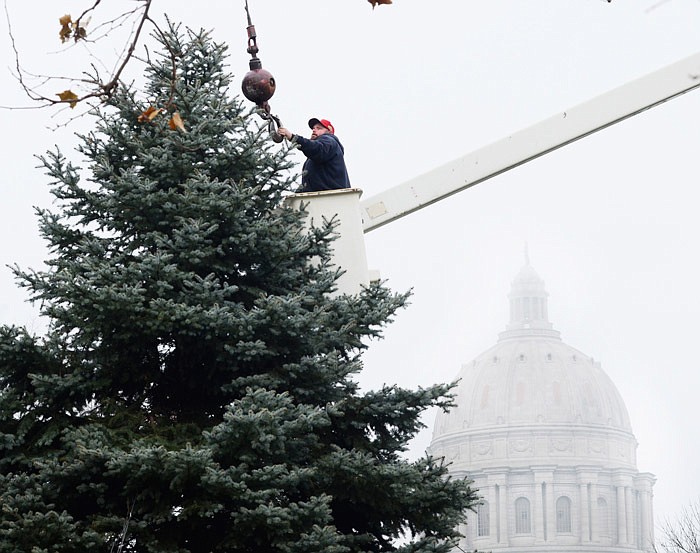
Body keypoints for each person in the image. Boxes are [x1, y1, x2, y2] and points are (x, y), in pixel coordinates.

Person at [278, 118, 351, 192]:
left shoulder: (329, 140)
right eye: (313, 128)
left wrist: (292, 137)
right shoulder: (319, 155)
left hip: (330, 197)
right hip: (324, 197)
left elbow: (316, 147)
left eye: (319, 128)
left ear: (329, 132)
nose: (314, 130)